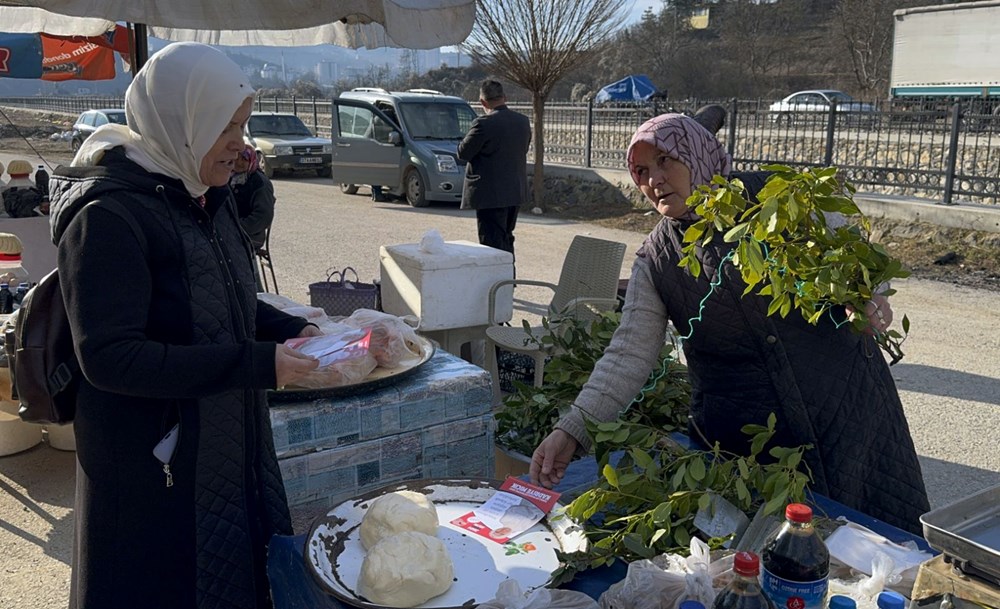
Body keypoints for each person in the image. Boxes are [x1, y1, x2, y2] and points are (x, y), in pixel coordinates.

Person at [529, 113, 930, 534]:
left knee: (878, 546)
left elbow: (852, 251)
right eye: (642, 171)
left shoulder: (777, 200)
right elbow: (628, 355)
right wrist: (572, 429)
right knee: (772, 561)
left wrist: (867, 294)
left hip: (844, 409)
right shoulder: (657, 260)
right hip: (749, 445)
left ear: (697, 155)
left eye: (666, 160)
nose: (654, 180)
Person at [46, 42, 322, 609]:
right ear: (184, 122)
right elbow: (111, 357)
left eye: (242, 128)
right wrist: (258, 363)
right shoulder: (107, 218)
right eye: (228, 128)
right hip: (154, 471)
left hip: (227, 442)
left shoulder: (203, 195)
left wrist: (291, 329)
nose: (240, 147)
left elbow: (224, 302)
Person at [457, 80, 532, 260]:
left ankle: (497, 284)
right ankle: (509, 281)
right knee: (507, 238)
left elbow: (463, 153)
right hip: (515, 191)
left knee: (491, 244)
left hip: (490, 194)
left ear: (483, 102)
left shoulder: (483, 124)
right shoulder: (522, 121)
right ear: (504, 98)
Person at [230, 145, 276, 252]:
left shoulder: (260, 183)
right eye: (237, 157)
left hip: (251, 235)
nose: (239, 162)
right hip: (231, 229)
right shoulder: (229, 177)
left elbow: (263, 216)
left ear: (251, 160)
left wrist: (236, 227)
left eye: (244, 159)